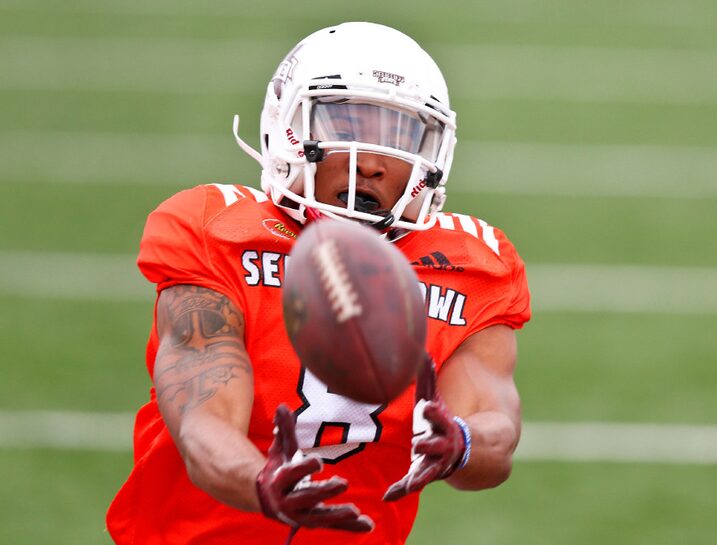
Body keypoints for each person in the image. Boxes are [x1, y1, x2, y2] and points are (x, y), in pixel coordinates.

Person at [107, 21, 531, 545]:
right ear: (287, 126)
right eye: (348, 123)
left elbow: (496, 430)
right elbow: (203, 419)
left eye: (400, 135)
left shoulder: (473, 265)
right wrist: (260, 480)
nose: (374, 161)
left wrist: (461, 443)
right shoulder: (217, 230)